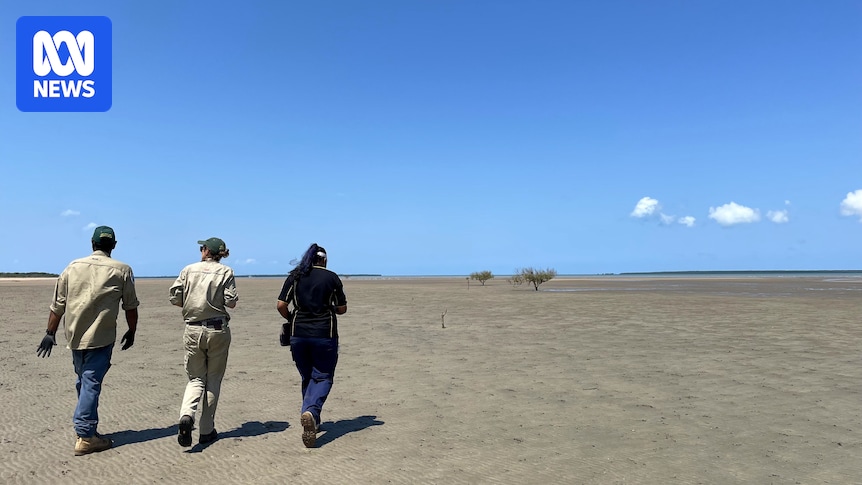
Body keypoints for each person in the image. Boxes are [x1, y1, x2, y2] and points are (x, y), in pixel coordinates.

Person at [36, 225, 140, 456]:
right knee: (90, 382)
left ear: (92, 244)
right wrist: (132, 330)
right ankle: (85, 435)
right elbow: (130, 306)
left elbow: (58, 305)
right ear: (113, 245)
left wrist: (50, 332)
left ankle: (86, 427)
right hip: (102, 337)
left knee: (84, 380)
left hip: (75, 335)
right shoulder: (122, 270)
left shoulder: (72, 267)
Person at [169, 237, 238, 447]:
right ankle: (206, 430)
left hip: (193, 328)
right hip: (217, 329)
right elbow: (231, 302)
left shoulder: (188, 269)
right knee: (213, 379)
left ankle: (187, 415)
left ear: (206, 250)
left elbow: (175, 297)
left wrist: (193, 301)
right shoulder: (226, 272)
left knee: (196, 379)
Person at [277, 243, 347, 448]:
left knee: (307, 376)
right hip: (325, 333)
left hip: (298, 334)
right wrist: (330, 307)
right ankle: (311, 412)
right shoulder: (331, 278)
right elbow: (342, 308)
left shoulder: (295, 276)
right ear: (324, 260)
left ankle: (312, 419)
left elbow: (281, 305)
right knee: (323, 376)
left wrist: (291, 318)